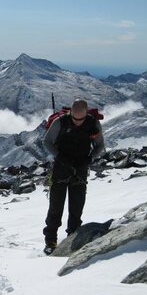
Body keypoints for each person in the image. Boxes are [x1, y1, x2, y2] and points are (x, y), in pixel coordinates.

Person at [42, 98, 105, 255]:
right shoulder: (60, 122)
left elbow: (100, 146)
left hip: (80, 167)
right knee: (56, 206)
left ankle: (73, 236)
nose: (77, 122)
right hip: (61, 168)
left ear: (86, 115)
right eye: (74, 119)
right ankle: (51, 240)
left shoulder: (93, 124)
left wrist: (90, 159)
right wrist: (60, 157)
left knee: (77, 205)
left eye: (80, 119)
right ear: (70, 113)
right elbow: (47, 141)